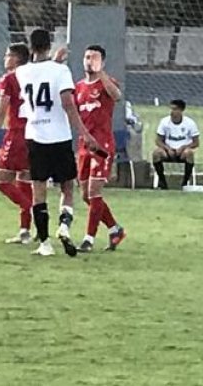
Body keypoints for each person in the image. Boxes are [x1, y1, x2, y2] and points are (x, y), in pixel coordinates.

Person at [14, 29, 100, 257]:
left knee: (38, 190)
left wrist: (53, 62)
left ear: (31, 47)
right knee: (67, 187)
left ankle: (44, 244)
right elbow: (68, 104)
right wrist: (84, 134)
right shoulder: (61, 71)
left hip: (35, 136)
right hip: (60, 137)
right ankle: (64, 226)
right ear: (49, 45)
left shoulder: (21, 72)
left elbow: (39, 74)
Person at [73, 44, 126, 252]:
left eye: (94, 58)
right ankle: (115, 229)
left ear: (102, 62)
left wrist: (101, 73)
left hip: (102, 145)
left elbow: (117, 96)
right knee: (85, 194)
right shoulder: (78, 87)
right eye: (86, 57)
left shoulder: (106, 83)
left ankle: (88, 239)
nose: (89, 61)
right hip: (84, 146)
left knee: (94, 192)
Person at [0, 43, 34, 245]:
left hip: (16, 134)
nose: (5, 58)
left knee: (3, 180)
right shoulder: (34, 75)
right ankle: (25, 231)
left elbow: (0, 110)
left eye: (8, 55)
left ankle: (33, 210)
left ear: (16, 58)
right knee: (25, 178)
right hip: (35, 132)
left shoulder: (9, 79)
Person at [152, 99, 200, 189]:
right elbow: (158, 140)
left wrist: (183, 147)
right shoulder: (164, 122)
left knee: (189, 153)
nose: (172, 112)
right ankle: (162, 182)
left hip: (182, 152)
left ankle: (185, 183)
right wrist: (167, 148)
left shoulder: (190, 123)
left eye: (175, 109)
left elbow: (196, 143)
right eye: (171, 109)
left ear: (181, 110)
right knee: (156, 153)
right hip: (168, 151)